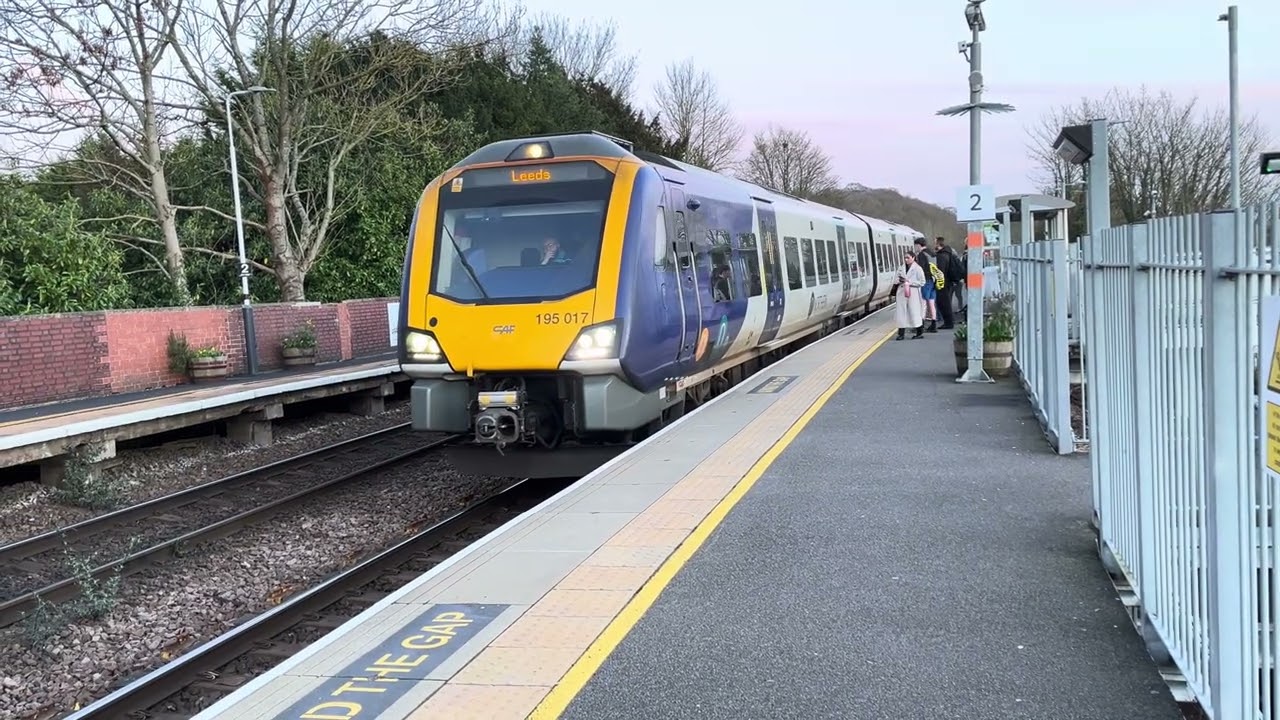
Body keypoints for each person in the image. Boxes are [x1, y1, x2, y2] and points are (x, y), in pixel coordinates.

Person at [890, 252, 926, 340]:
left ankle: (919, 332)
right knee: (901, 312)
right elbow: (895, 279)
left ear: (913, 258)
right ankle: (901, 333)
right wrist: (899, 280)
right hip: (902, 292)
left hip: (913, 293)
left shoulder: (918, 268)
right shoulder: (901, 268)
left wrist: (909, 282)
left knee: (914, 311)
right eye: (905, 258)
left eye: (908, 258)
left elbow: (922, 282)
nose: (906, 260)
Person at [933, 236, 962, 329]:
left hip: (943, 282)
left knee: (943, 303)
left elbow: (941, 271)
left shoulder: (942, 255)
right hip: (948, 281)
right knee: (945, 302)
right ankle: (948, 322)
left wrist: (938, 281)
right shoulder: (948, 253)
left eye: (935, 243)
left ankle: (948, 323)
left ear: (938, 244)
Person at [912, 238, 939, 333]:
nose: (915, 248)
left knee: (922, 303)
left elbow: (921, 269)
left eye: (916, 246)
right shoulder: (932, 253)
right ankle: (934, 324)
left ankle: (921, 324)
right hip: (934, 280)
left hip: (926, 281)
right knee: (931, 303)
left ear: (919, 245)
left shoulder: (922, 255)